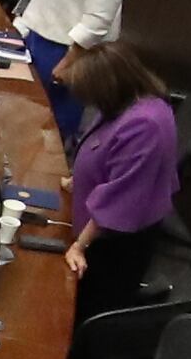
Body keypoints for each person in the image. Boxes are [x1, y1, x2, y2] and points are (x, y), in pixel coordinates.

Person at [59, 41, 181, 338]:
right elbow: (104, 149)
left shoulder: (145, 125)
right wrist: (80, 179)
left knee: (88, 312)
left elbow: (120, 199)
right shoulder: (129, 100)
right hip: (103, 221)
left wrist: (80, 246)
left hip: (116, 245)